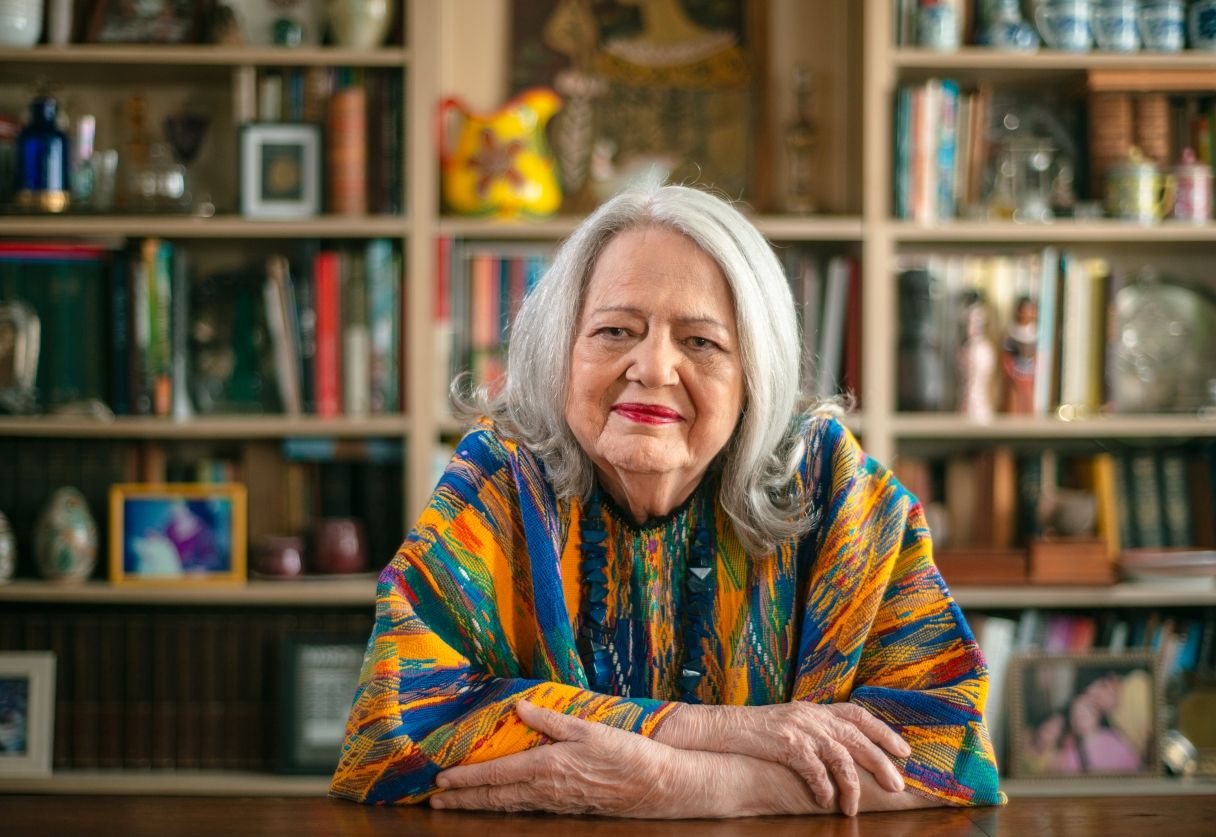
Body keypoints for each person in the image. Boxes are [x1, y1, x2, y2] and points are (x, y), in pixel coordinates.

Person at [330, 184, 1003, 817]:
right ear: (562, 350)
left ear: (753, 375)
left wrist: (686, 782)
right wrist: (710, 729)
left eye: (701, 341)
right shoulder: (499, 480)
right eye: (615, 331)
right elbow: (389, 732)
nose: (652, 367)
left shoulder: (831, 485)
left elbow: (951, 753)